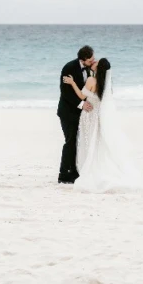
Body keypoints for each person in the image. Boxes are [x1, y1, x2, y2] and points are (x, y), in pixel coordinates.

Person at [63, 58, 143, 192]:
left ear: (99, 67)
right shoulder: (105, 85)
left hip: (88, 115)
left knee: (88, 141)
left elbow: (81, 96)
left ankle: (86, 168)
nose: (93, 62)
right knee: (97, 143)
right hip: (98, 116)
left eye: (96, 62)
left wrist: (72, 83)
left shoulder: (91, 80)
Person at [56, 45, 96, 184]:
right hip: (68, 111)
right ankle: (64, 174)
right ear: (83, 59)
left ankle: (75, 171)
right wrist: (81, 104)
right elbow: (65, 92)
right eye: (91, 59)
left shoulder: (91, 70)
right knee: (70, 141)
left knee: (79, 141)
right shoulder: (69, 68)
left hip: (82, 114)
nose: (93, 61)